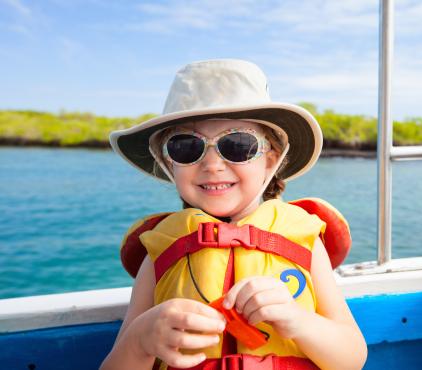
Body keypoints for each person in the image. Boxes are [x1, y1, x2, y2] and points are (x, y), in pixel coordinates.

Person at [100, 59, 367, 370]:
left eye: (237, 144)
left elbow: (353, 357)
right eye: (186, 147)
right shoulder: (160, 248)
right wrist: (140, 341)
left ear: (271, 159)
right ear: (167, 162)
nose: (212, 164)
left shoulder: (305, 240)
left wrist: (297, 320)